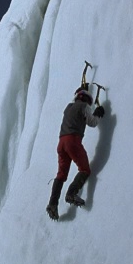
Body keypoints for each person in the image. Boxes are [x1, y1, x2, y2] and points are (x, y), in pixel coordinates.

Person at [46, 87, 105, 221]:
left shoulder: (68, 107)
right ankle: (71, 193)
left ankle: (52, 204)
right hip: (73, 141)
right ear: (88, 100)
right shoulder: (84, 107)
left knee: (61, 174)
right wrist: (98, 113)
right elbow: (92, 122)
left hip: (61, 143)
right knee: (84, 169)